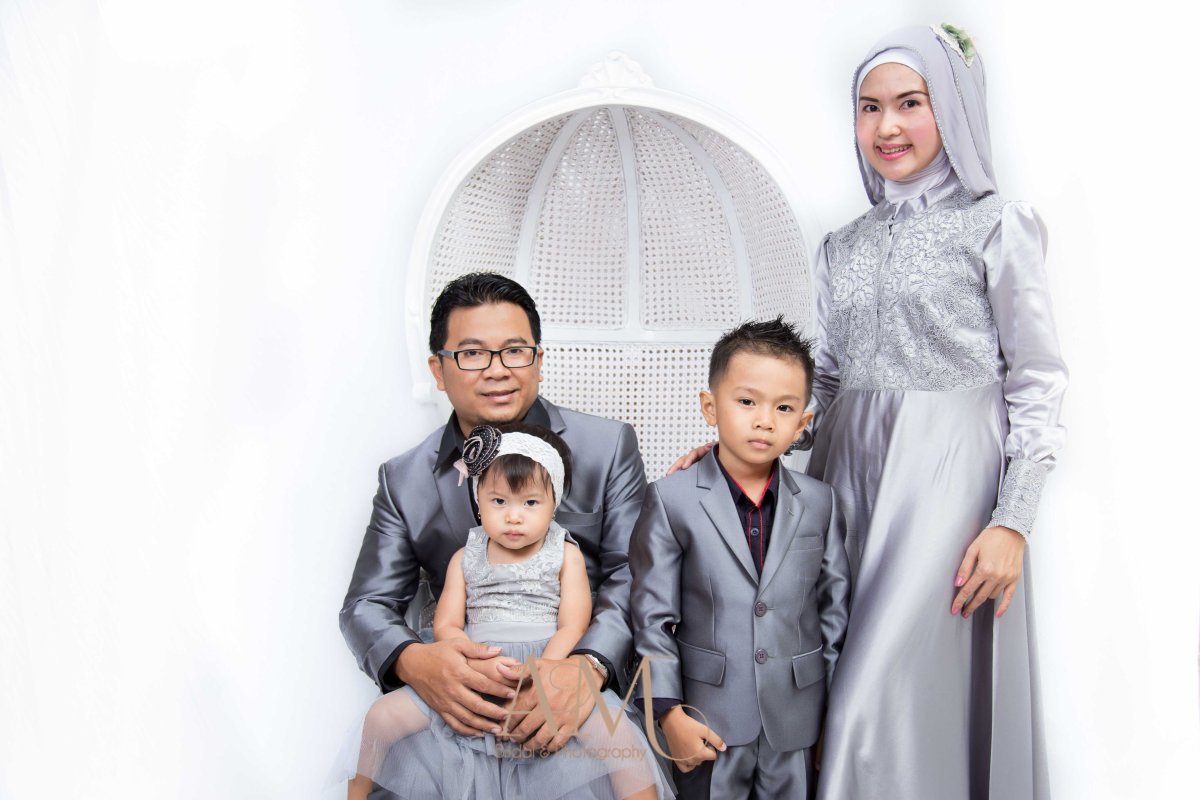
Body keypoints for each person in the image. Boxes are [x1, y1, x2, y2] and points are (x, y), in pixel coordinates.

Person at [805, 24, 1068, 800]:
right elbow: (824, 381)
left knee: (874, 705)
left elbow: (1038, 378)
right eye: (870, 108)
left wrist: (1013, 521)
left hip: (948, 491)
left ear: (951, 107)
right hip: (841, 484)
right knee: (835, 693)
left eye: (910, 103)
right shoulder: (841, 245)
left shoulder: (997, 225)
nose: (887, 126)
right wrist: (739, 454)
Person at [340, 272, 648, 798]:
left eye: (514, 351)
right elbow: (366, 604)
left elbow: (636, 575)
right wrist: (417, 662)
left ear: (539, 360)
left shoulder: (608, 446)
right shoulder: (403, 478)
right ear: (438, 370)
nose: (497, 370)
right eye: (472, 354)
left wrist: (588, 666)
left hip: (568, 699)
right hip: (458, 707)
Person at [336, 423, 670, 800]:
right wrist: (467, 656)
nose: (514, 516)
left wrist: (550, 667)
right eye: (499, 502)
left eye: (530, 503)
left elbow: (573, 623)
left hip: (550, 663)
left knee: (618, 734)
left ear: (554, 504)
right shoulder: (465, 557)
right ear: (479, 502)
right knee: (381, 717)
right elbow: (447, 622)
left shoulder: (565, 554)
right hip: (478, 666)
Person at [630, 318, 852, 799]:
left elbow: (834, 616)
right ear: (710, 406)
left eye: (784, 407)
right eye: (747, 401)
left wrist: (833, 717)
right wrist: (668, 713)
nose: (765, 420)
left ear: (802, 424)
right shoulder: (671, 499)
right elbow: (652, 619)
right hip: (706, 720)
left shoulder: (821, 502)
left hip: (797, 719)